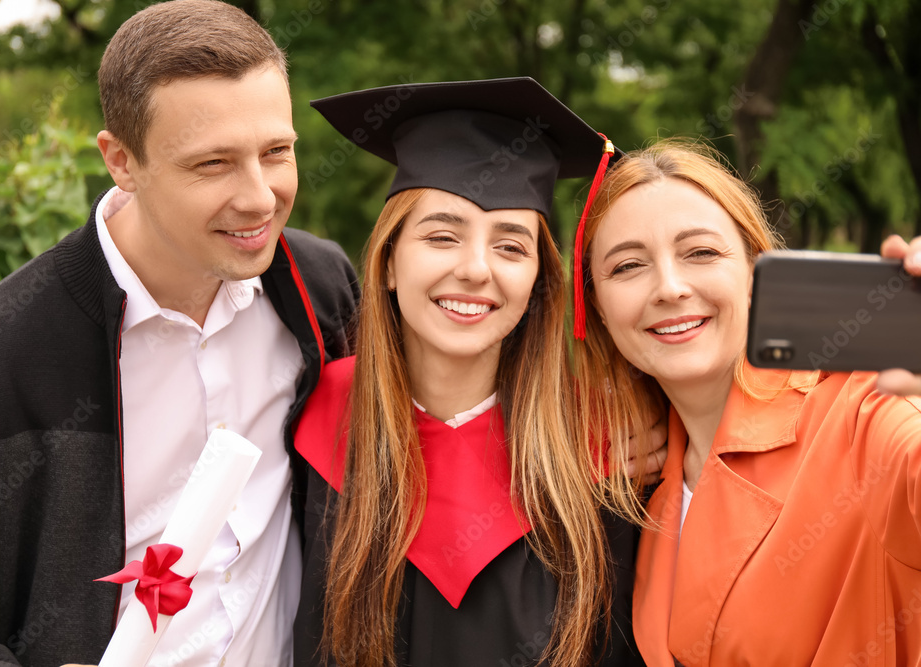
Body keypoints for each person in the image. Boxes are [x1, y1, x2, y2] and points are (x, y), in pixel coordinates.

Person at [0, 2, 358, 666]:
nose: (261, 197)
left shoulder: (321, 290)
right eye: (213, 164)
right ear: (121, 160)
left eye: (276, 151)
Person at [291, 77, 660, 667]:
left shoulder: (604, 450)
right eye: (442, 236)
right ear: (388, 261)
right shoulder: (313, 423)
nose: (474, 269)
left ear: (539, 280)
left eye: (511, 247)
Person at [572, 140, 921, 666]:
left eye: (702, 253)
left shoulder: (864, 413)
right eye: (626, 267)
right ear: (597, 307)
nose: (669, 287)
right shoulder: (634, 474)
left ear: (756, 272)